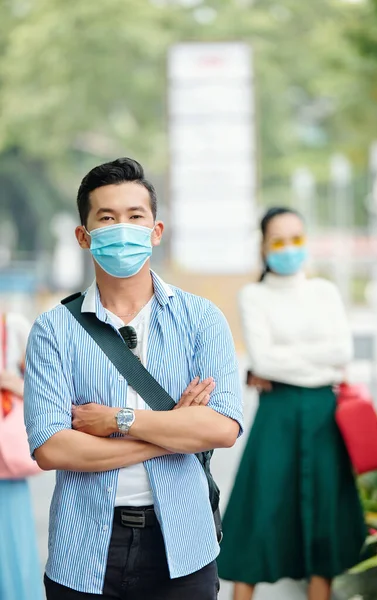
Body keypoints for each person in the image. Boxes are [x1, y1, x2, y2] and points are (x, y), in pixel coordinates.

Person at [24, 157, 243, 600]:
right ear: (84, 237)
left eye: (134, 216)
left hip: (184, 543)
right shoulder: (53, 329)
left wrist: (116, 421)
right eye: (106, 218)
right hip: (83, 549)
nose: (121, 228)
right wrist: (176, 431)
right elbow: (50, 448)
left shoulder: (202, 319)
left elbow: (220, 428)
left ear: (155, 231)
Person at [217, 207, 366, 600]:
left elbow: (342, 351)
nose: (288, 248)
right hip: (277, 415)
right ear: (263, 248)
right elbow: (263, 360)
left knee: (322, 518)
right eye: (278, 241)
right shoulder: (253, 294)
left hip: (324, 414)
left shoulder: (325, 291)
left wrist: (287, 361)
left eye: (296, 239)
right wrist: (314, 361)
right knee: (258, 509)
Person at [0, 312, 43, 600]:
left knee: (11, 547)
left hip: (6, 471)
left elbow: (45, 388)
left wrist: (8, 382)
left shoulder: (13, 326)